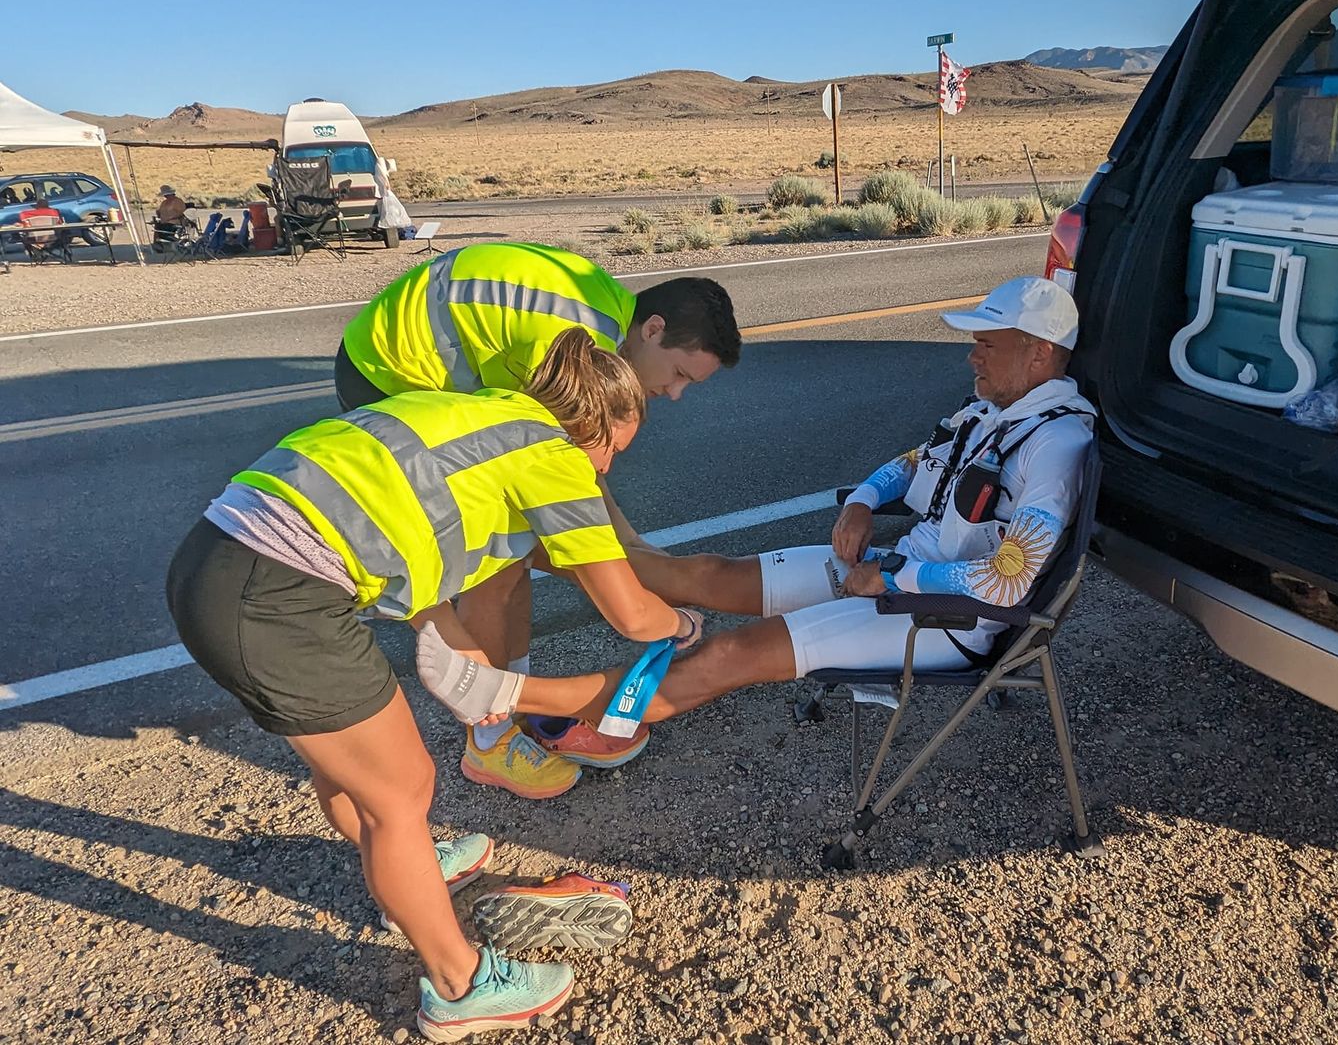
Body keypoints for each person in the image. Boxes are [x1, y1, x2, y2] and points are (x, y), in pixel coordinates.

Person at [165, 329, 704, 1041]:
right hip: (278, 598)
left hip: (215, 560)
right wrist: (679, 621)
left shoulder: (473, 413)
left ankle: (406, 876)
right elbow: (632, 613)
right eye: (613, 453)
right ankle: (462, 983)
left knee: (356, 763)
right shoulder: (554, 456)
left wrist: (468, 665)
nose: (606, 473)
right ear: (594, 427)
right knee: (403, 789)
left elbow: (420, 569)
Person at [436, 277, 1096, 753]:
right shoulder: (989, 410)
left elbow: (1009, 581)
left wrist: (891, 577)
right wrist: (865, 500)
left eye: (988, 343)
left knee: (730, 651)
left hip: (938, 615)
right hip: (888, 573)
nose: (972, 354)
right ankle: (579, 587)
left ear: (1039, 354)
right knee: (707, 573)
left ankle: (505, 697)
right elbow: (912, 462)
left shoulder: (1054, 443)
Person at [336, 240, 742, 795]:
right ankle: (489, 741)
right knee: (496, 560)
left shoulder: (605, 311)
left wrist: (630, 546)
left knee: (517, 552)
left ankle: (510, 699)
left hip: (412, 354)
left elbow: (577, 473)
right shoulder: (573, 345)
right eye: (678, 374)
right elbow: (563, 472)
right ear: (652, 329)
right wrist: (648, 588)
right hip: (389, 373)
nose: (672, 394)